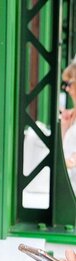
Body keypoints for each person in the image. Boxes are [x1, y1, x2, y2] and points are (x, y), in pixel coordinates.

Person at [60, 59, 76, 192]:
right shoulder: (70, 116)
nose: (67, 89)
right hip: (68, 184)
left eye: (69, 84)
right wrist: (64, 126)